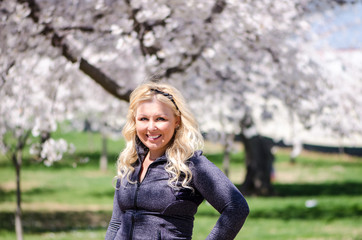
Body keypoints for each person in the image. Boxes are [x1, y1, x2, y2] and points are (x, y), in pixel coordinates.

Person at [105, 82, 249, 240]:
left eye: (160, 119)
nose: (151, 127)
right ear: (135, 121)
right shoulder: (130, 162)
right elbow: (116, 223)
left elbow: (236, 207)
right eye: (143, 119)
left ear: (177, 121)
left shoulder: (191, 164)